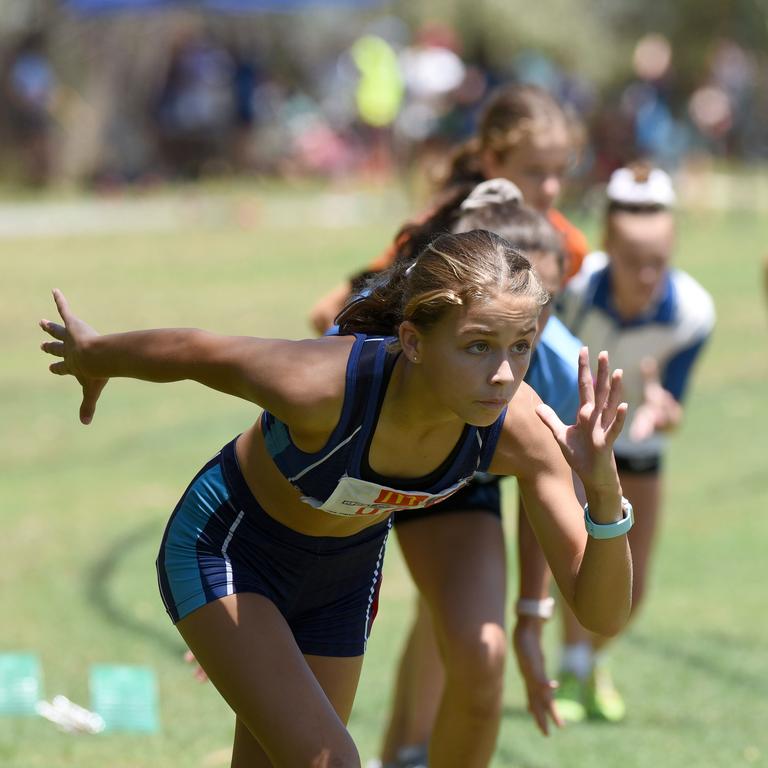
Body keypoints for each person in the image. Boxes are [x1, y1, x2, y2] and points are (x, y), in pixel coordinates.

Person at [40, 229, 633, 768]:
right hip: (229, 551)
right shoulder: (322, 385)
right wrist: (97, 356)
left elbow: (601, 612)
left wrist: (603, 493)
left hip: (343, 582)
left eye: (521, 346)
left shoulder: (522, 428)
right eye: (478, 346)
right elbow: (201, 351)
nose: (504, 374)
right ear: (414, 341)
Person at [369, 179, 584, 768]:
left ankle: (410, 755)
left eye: (537, 317)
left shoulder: (558, 372)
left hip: (460, 495)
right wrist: (262, 586)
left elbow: (544, 502)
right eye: (486, 337)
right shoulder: (384, 351)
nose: (512, 363)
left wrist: (531, 621)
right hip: (371, 479)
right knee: (330, 657)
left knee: (477, 652)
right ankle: (403, 752)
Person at [553, 164, 715, 723]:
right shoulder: (571, 291)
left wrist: (667, 414)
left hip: (640, 445)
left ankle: (585, 664)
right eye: (632, 262)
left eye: (658, 263)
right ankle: (573, 670)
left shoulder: (693, 312)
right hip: (574, 441)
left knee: (633, 584)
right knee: (580, 563)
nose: (646, 276)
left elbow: (673, 400)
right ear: (606, 245)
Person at [308, 83, 589, 336]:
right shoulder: (439, 233)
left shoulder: (569, 248)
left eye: (560, 172)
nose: (551, 188)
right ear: (491, 161)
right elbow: (327, 312)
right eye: (534, 171)